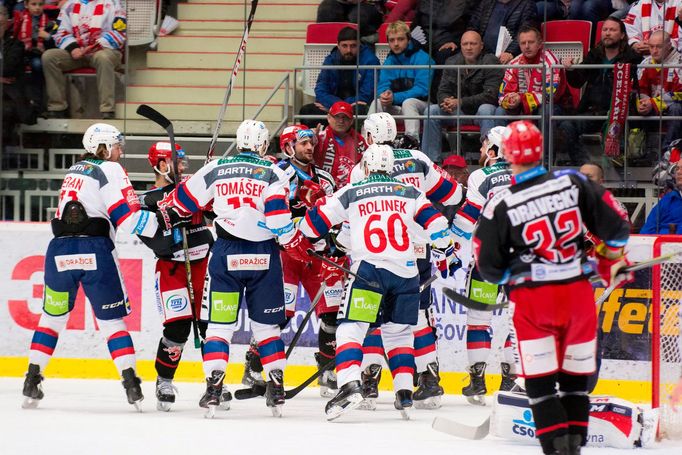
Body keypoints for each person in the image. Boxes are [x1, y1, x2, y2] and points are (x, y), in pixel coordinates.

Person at [474, 120, 632, 454]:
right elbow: (618, 227)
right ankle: (574, 448)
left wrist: (514, 278)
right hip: (576, 294)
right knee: (575, 383)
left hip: (533, 301)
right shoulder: (573, 181)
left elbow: (488, 267)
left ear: (509, 154)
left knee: (541, 383)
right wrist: (611, 256)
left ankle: (555, 447)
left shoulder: (499, 203)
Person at [154, 119, 313, 417]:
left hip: (226, 255)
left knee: (219, 326)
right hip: (263, 257)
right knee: (266, 328)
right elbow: (280, 222)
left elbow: (179, 205)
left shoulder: (216, 168)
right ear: (263, 144)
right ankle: (276, 387)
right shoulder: (274, 172)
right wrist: (294, 242)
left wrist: (197, 188)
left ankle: (214, 387)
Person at [298, 143, 458, 420]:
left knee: (351, 328)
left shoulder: (352, 191)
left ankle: (349, 384)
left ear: (367, 166)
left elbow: (311, 228)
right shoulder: (411, 192)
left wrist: (319, 223)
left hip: (369, 273)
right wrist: (446, 253)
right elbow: (437, 224)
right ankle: (405, 394)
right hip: (407, 273)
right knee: (399, 334)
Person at [21, 123, 162, 410]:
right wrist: (163, 219)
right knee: (112, 322)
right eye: (118, 145)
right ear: (105, 147)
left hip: (59, 252)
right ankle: (131, 384)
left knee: (52, 318)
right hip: (95, 250)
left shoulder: (74, 170)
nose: (121, 151)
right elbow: (128, 219)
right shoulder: (111, 170)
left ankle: (31, 380)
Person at [346, 113, 463, 410]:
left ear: (370, 137)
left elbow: (352, 219)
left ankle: (369, 379)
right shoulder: (418, 158)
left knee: (370, 315)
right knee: (418, 317)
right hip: (418, 250)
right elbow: (453, 195)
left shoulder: (363, 168)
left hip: (378, 253)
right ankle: (429, 378)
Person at [136, 141, 215, 412]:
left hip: (204, 264)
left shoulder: (192, 190)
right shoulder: (147, 201)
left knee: (210, 327)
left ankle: (215, 383)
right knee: (177, 329)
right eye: (179, 163)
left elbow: (216, 211)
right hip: (173, 269)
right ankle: (164, 380)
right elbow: (153, 241)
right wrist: (171, 225)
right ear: (161, 165)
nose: (184, 167)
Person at [448, 126, 520, 405]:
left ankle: (477, 381)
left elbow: (467, 220)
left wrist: (448, 247)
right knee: (519, 324)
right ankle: (511, 380)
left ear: (493, 151)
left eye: (483, 147)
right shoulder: (530, 176)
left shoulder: (481, 176)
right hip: (523, 261)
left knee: (479, 320)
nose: (480, 152)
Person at [275, 124, 344, 398]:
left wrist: (335, 242)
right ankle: (258, 367)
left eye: (311, 143)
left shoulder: (325, 179)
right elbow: (272, 212)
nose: (309, 148)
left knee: (330, 316)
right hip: (287, 255)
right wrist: (298, 204)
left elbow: (338, 214)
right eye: (303, 143)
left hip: (318, 256)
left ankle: (326, 369)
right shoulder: (279, 174)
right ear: (289, 146)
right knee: (280, 316)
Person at [556, 17, 641, 166]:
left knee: (618, 125)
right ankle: (583, 165)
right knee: (566, 125)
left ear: (622, 35)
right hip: (592, 111)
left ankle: (617, 163)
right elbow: (577, 82)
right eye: (605, 30)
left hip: (619, 112)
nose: (607, 33)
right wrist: (570, 70)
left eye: (612, 30)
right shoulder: (594, 54)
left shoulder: (632, 58)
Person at [421, 30, 503, 163]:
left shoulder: (490, 61)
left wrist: (460, 102)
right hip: (458, 112)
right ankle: (431, 163)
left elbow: (491, 96)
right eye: (465, 44)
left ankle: (490, 159)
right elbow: (442, 90)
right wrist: (446, 101)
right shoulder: (452, 61)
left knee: (486, 108)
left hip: (479, 113)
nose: (469, 47)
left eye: (473, 44)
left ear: (481, 45)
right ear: (461, 45)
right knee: (432, 111)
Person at [42, 0, 126, 119]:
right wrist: (73, 48)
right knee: (49, 57)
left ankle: (107, 110)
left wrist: (95, 46)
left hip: (105, 50)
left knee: (103, 58)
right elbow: (59, 32)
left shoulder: (114, 3)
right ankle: (57, 107)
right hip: (79, 52)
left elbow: (119, 33)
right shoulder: (69, 4)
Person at [299, 26, 379, 127]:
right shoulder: (331, 59)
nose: (349, 50)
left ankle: (355, 141)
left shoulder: (370, 60)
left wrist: (339, 107)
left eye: (353, 46)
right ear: (338, 45)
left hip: (355, 107)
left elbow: (367, 94)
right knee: (306, 112)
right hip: (335, 106)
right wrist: (338, 106)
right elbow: (320, 89)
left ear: (359, 45)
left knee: (360, 110)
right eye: (344, 46)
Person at [372, 21, 434, 145]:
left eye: (400, 39)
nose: (396, 44)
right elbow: (382, 86)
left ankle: (411, 143)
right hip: (399, 105)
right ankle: (371, 141)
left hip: (424, 105)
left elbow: (422, 89)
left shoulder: (424, 58)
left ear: (408, 39)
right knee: (377, 102)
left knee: (409, 102)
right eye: (392, 40)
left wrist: (395, 97)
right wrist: (385, 94)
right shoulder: (389, 60)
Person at [635, 31, 682, 150]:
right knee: (626, 100)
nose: (654, 51)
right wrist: (642, 103)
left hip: (674, 108)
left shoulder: (680, 62)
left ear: (669, 45)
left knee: (676, 108)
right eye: (651, 46)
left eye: (659, 47)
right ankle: (631, 150)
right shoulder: (645, 63)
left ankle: (668, 151)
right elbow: (639, 89)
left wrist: (654, 103)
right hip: (652, 106)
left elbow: (681, 94)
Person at [313, 100, 368, 189]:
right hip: (324, 191)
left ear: (351, 121)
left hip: (352, 190)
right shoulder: (319, 138)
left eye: (345, 117)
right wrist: (311, 144)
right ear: (328, 118)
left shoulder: (360, 141)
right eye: (336, 117)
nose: (341, 121)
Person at [468, 0, 538, 64]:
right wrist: (471, 46)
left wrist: (510, 52)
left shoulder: (527, 4)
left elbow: (526, 33)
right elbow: (472, 28)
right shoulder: (485, 3)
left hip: (509, 57)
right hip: (481, 55)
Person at [12, 0, 54, 107]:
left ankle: (38, 102)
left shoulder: (48, 22)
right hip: (21, 52)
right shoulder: (20, 19)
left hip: (38, 54)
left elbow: (54, 44)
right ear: (26, 5)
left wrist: (47, 37)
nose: (37, 8)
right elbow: (14, 37)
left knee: (37, 64)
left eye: (40, 5)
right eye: (34, 4)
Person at [640, 161, 682, 234]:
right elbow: (645, 234)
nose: (678, 172)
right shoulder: (667, 201)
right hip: (666, 244)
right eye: (677, 168)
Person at [315, 0, 384, 40]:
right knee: (325, 11)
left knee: (357, 19)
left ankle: (358, 49)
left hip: (367, 3)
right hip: (338, 2)